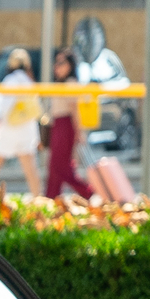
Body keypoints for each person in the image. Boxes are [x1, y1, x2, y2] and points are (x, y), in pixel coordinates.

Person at [0, 47, 41, 196]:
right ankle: (39, 200)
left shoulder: (10, 80)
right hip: (26, 130)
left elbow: (4, 109)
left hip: (9, 131)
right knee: (31, 172)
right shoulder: (29, 81)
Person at [43, 48, 85, 199]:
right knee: (54, 166)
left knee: (60, 165)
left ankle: (87, 191)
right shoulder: (60, 83)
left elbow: (74, 110)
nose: (57, 67)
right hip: (58, 124)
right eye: (56, 63)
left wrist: (79, 132)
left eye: (61, 63)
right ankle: (51, 197)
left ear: (70, 66)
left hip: (65, 125)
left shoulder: (70, 84)